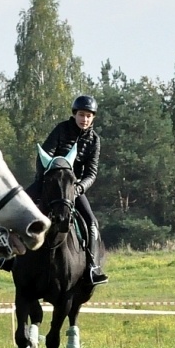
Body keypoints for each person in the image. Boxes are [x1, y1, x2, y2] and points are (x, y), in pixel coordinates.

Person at [40, 95, 108, 284]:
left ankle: (93, 267)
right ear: (74, 114)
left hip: (73, 190)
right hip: (50, 184)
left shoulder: (95, 140)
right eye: (81, 115)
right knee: (18, 208)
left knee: (92, 223)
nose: (84, 119)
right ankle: (8, 256)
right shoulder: (61, 129)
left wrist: (78, 188)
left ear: (93, 118)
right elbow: (44, 155)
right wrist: (46, 180)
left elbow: (91, 173)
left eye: (88, 116)